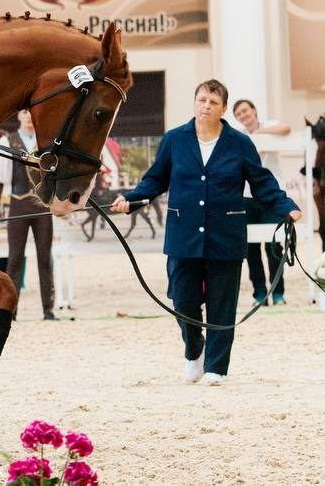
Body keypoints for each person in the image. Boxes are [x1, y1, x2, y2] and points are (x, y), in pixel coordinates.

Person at [111, 80, 301, 385]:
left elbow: (261, 181)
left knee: (221, 304)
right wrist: (130, 200)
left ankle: (216, 367)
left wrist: (285, 206)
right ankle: (194, 350)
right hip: (183, 235)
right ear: (195, 103)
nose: (206, 106)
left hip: (225, 234)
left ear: (223, 109)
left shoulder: (240, 143)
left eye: (213, 102)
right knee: (183, 300)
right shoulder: (175, 140)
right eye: (202, 100)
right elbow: (155, 180)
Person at [0, 110, 57, 321]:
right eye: (24, 112)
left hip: (41, 206)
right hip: (18, 204)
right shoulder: (8, 140)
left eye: (31, 112)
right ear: (19, 116)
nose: (29, 116)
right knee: (14, 259)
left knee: (45, 258)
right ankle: (11, 311)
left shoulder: (46, 139)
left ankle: (48, 310)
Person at [232, 99, 290, 305]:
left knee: (274, 246)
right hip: (247, 196)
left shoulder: (269, 125)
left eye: (245, 111)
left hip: (271, 195)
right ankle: (260, 294)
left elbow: (286, 128)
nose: (243, 115)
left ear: (254, 111)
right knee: (251, 249)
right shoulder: (239, 136)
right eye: (238, 113)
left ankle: (278, 292)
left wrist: (260, 134)